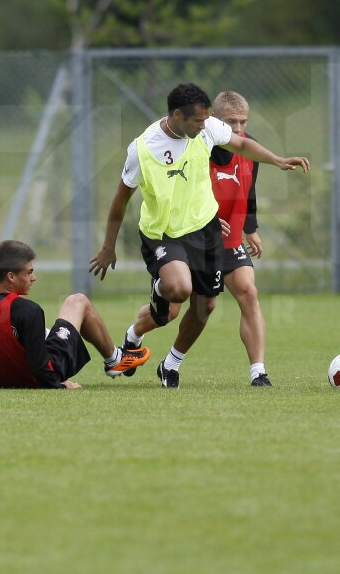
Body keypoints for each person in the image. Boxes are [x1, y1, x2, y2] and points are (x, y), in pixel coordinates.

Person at [88, 82, 310, 388]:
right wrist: (107, 247)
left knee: (205, 307)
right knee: (178, 291)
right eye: (199, 121)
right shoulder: (143, 148)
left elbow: (243, 146)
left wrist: (278, 160)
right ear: (178, 115)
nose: (206, 126)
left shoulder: (207, 129)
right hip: (163, 233)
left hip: (204, 229)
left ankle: (171, 365)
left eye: (207, 120)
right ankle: (159, 293)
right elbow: (120, 199)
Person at [0, 239, 150, 389]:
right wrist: (58, 385)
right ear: (11, 277)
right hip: (44, 374)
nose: (33, 278)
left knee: (38, 333)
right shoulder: (28, 310)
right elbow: (39, 366)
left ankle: (115, 359)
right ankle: (114, 360)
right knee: (77, 301)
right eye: (29, 272)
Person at [208, 91, 272, 387]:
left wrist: (251, 227)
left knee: (248, 292)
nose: (237, 129)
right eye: (230, 122)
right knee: (171, 309)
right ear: (213, 120)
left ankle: (258, 371)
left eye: (242, 122)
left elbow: (249, 188)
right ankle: (135, 336)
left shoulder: (249, 147)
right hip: (195, 239)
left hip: (231, 237)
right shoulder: (198, 146)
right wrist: (205, 218)